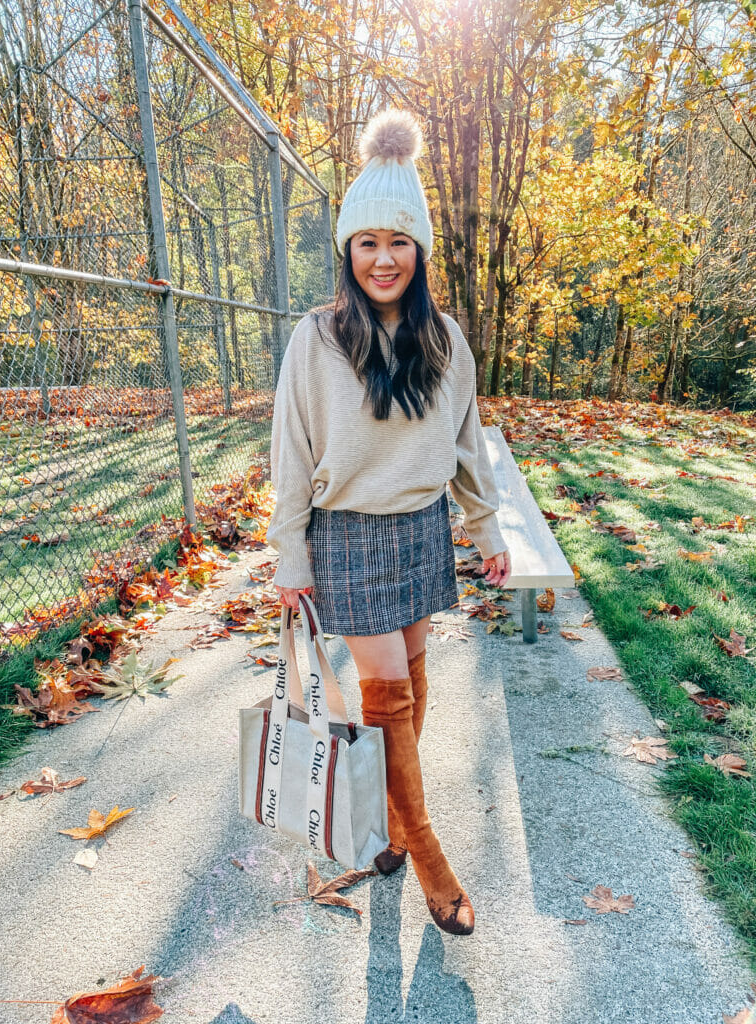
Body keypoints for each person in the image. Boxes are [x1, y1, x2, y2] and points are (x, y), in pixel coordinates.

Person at [266, 108, 511, 936]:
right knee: (390, 693)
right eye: (366, 242)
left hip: (421, 530)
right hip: (348, 537)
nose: (381, 258)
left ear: (421, 251)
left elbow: (469, 442)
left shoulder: (445, 339)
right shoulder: (318, 339)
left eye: (398, 241)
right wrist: (288, 555)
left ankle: (389, 825)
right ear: (347, 250)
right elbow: (292, 453)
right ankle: (430, 859)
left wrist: (488, 531)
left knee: (412, 681)